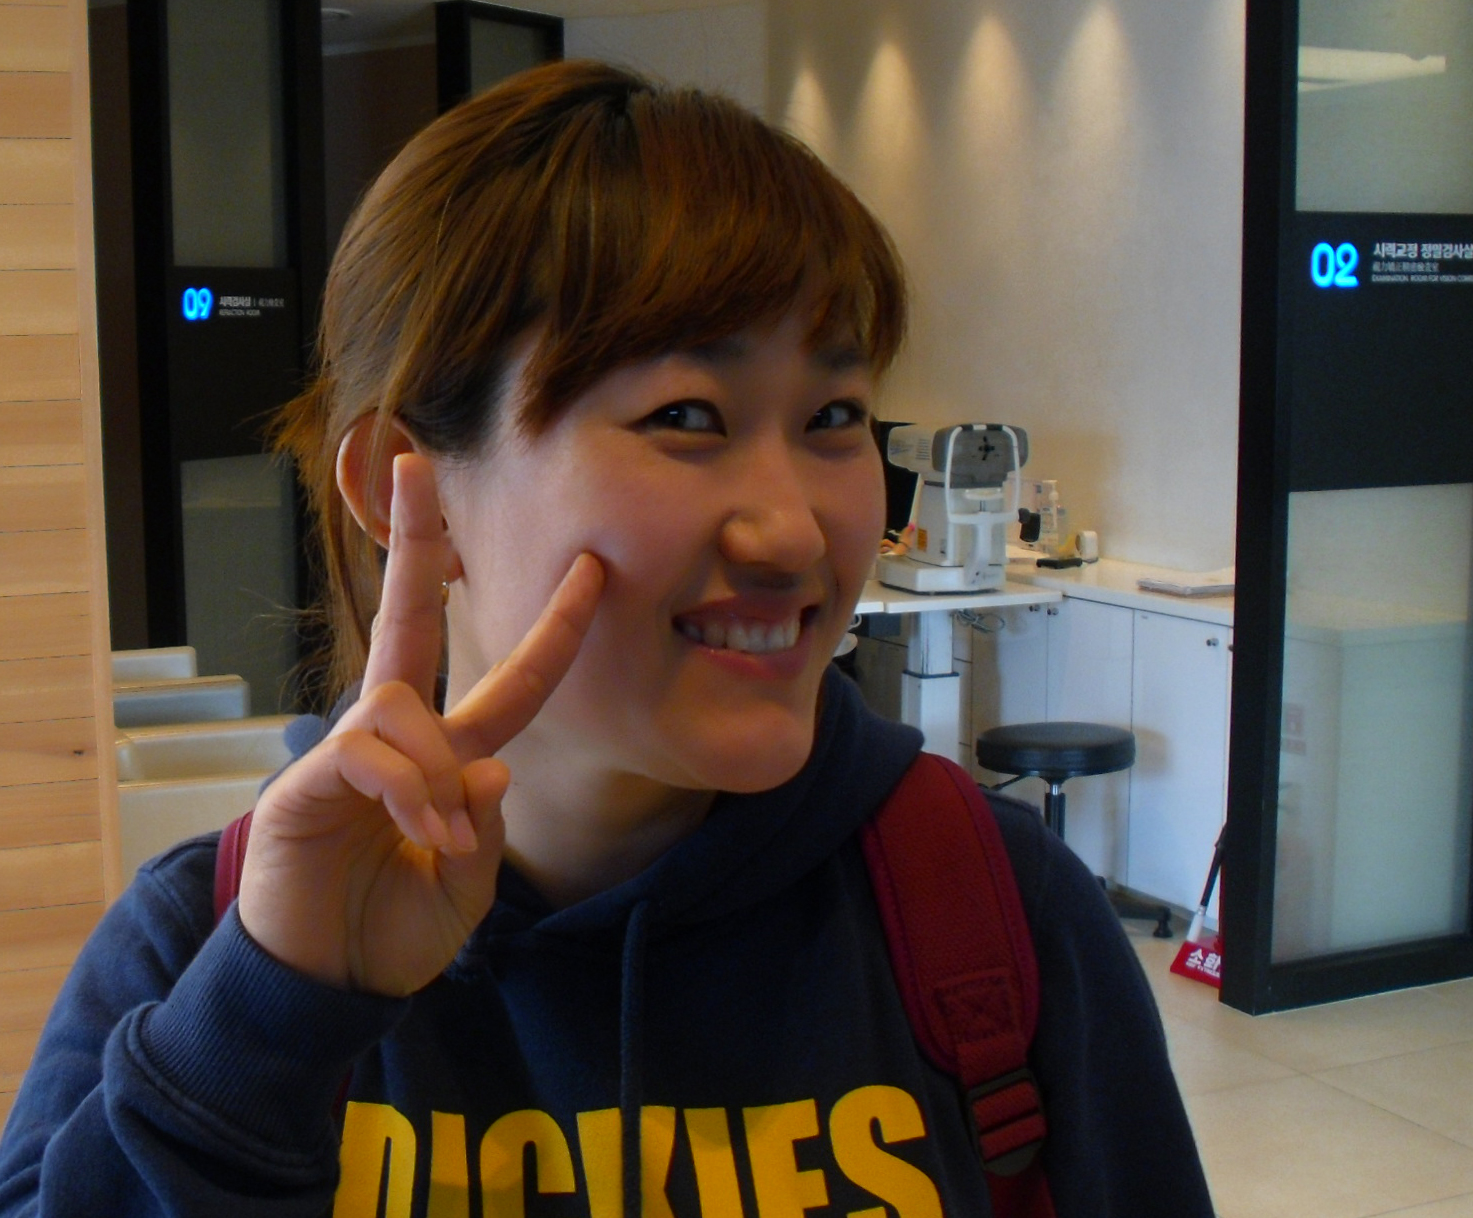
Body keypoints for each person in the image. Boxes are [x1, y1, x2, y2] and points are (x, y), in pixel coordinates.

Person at [0, 60, 1213, 1218]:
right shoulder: (201, 951)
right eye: (687, 415)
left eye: (835, 416)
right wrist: (271, 1014)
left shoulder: (993, 913)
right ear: (408, 489)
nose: (796, 530)